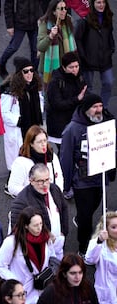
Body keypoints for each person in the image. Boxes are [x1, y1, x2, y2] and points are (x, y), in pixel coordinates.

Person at [60, 93, 115, 257]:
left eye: (100, 106)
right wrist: (67, 183)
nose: (99, 110)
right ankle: (83, 248)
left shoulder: (105, 122)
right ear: (86, 109)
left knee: (93, 208)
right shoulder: (72, 129)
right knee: (86, 217)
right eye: (95, 107)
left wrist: (111, 172)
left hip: (100, 177)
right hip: (82, 181)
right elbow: (66, 157)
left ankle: (82, 220)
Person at [0, 207, 58, 304]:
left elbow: (52, 255)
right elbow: (0, 266)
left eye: (41, 224)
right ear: (26, 226)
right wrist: (16, 283)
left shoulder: (45, 237)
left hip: (43, 288)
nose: (40, 228)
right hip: (24, 294)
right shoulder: (11, 242)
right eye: (35, 225)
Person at [0, 57, 43, 195]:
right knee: (17, 159)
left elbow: (40, 103)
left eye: (32, 70)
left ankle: (25, 182)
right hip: (18, 130)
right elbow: (4, 112)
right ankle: (10, 185)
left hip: (32, 128)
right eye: (26, 71)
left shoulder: (35, 86)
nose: (30, 74)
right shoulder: (10, 91)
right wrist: (19, 120)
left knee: (29, 155)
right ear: (20, 73)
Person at [10, 164, 68, 257]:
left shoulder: (54, 189)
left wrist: (64, 232)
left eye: (47, 179)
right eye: (40, 181)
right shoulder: (21, 202)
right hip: (39, 249)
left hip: (58, 242)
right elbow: (18, 230)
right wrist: (44, 238)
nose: (45, 184)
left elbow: (64, 208)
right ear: (31, 181)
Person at [75, 0, 114, 108]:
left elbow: (110, 36)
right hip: (88, 60)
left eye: (103, 2)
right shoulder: (85, 20)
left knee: (109, 82)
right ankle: (91, 109)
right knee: (88, 87)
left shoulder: (107, 18)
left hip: (105, 59)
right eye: (98, 2)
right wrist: (83, 56)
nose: (101, 5)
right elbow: (77, 38)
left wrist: (111, 49)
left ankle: (103, 107)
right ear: (93, 4)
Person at [46, 51, 87, 155]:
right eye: (71, 67)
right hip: (59, 125)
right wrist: (77, 99)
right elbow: (57, 104)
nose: (75, 70)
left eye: (76, 66)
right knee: (65, 152)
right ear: (64, 68)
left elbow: (84, 92)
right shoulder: (56, 82)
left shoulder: (80, 77)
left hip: (74, 121)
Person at [8, 126, 63, 197]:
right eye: (39, 142)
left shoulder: (52, 156)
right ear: (31, 144)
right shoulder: (21, 162)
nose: (43, 144)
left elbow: (59, 177)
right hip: (32, 203)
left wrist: (58, 193)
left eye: (45, 140)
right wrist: (35, 193)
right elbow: (12, 187)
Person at [35, 253, 100, 304]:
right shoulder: (51, 292)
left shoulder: (88, 287)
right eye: (73, 273)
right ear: (64, 274)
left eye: (80, 272)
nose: (77, 277)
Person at [0, 0, 41, 79]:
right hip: (20, 22)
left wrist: (42, 17)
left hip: (35, 22)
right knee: (13, 47)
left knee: (35, 49)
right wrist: (9, 25)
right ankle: (1, 62)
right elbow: (8, 5)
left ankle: (34, 73)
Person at [37, 0, 76, 85]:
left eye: (65, 8)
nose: (64, 11)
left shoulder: (68, 21)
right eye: (61, 9)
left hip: (66, 68)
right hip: (49, 68)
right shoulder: (44, 23)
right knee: (49, 95)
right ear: (54, 11)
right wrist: (50, 36)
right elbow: (40, 47)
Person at [85, 211, 117, 304]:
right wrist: (99, 241)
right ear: (105, 229)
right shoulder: (101, 245)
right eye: (113, 227)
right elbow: (89, 260)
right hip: (108, 294)